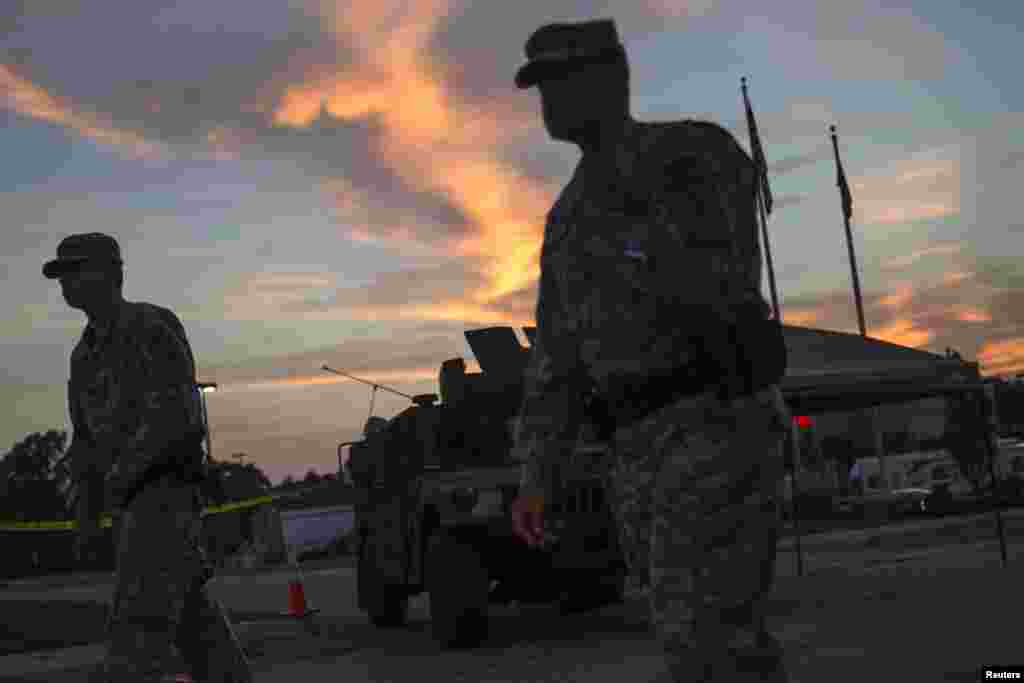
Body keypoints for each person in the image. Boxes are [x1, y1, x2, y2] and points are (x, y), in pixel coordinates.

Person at [508, 19, 791, 682]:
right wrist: (536, 475)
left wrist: (629, 232)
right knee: (692, 641)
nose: (548, 101)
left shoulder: (691, 156)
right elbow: (556, 359)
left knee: (712, 644)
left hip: (712, 420)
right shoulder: (568, 218)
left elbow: (724, 278)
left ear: (609, 79)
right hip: (636, 453)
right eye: (541, 88)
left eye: (559, 82)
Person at [45, 232, 253, 682]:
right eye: (62, 274)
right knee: (197, 627)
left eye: (78, 269)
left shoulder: (149, 326)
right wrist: (87, 510)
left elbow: (180, 418)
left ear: (113, 273)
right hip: (130, 505)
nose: (67, 282)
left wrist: (123, 475)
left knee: (137, 631)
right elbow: (84, 442)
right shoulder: (83, 356)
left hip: (165, 493)